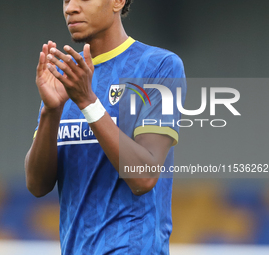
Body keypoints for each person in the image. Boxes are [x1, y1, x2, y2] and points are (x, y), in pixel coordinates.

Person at [25, 0, 186, 254]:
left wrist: (88, 102)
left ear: (118, 2)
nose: (70, 8)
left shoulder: (159, 66)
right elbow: (36, 185)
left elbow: (143, 177)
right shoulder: (66, 78)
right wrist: (51, 111)